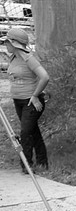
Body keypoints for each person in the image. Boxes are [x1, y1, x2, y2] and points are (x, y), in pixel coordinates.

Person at [0, 28, 50, 173]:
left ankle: (26, 165)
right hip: (19, 101)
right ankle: (42, 163)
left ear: (14, 43)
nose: (5, 45)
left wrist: (35, 95)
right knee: (33, 131)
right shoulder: (13, 58)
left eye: (7, 42)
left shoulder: (28, 58)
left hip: (31, 101)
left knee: (25, 132)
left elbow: (44, 77)